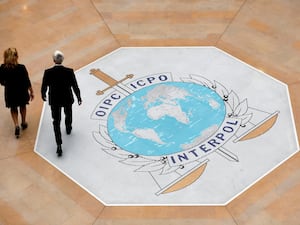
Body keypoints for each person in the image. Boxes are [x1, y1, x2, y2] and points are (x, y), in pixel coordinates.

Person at [41, 50, 82, 157]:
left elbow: (44, 86)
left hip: (54, 100)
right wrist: (78, 96)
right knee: (68, 113)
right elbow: (75, 85)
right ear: (62, 59)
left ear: (53, 60)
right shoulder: (69, 71)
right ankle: (68, 127)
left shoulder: (48, 72)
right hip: (67, 98)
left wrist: (43, 94)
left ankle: (59, 144)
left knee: (56, 121)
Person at [0, 48, 34, 138]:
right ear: (15, 57)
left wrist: (7, 84)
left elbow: (1, 81)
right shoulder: (21, 67)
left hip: (10, 92)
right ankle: (23, 122)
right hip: (21, 91)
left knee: (13, 108)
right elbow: (27, 81)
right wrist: (31, 91)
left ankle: (16, 125)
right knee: (23, 106)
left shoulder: (3, 68)